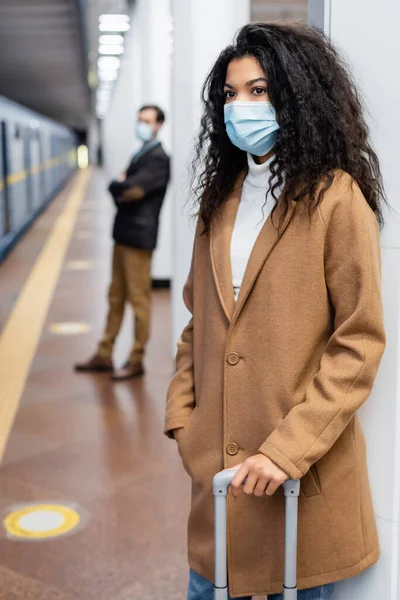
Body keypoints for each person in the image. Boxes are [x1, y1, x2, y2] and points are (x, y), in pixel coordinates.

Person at [164, 22, 386, 600]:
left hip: (296, 484)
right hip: (218, 484)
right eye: (230, 94)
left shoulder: (336, 198)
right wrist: (182, 419)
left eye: (259, 91)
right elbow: (198, 323)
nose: (241, 106)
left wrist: (286, 450)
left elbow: (359, 341)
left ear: (297, 95)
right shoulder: (221, 202)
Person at [75, 105, 170, 381]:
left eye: (147, 121)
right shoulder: (141, 154)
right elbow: (122, 190)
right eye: (139, 120)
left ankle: (136, 358)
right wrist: (121, 188)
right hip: (123, 235)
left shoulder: (158, 159)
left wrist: (121, 186)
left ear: (159, 125)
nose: (141, 125)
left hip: (139, 239)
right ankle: (104, 354)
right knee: (115, 296)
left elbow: (130, 189)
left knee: (139, 300)